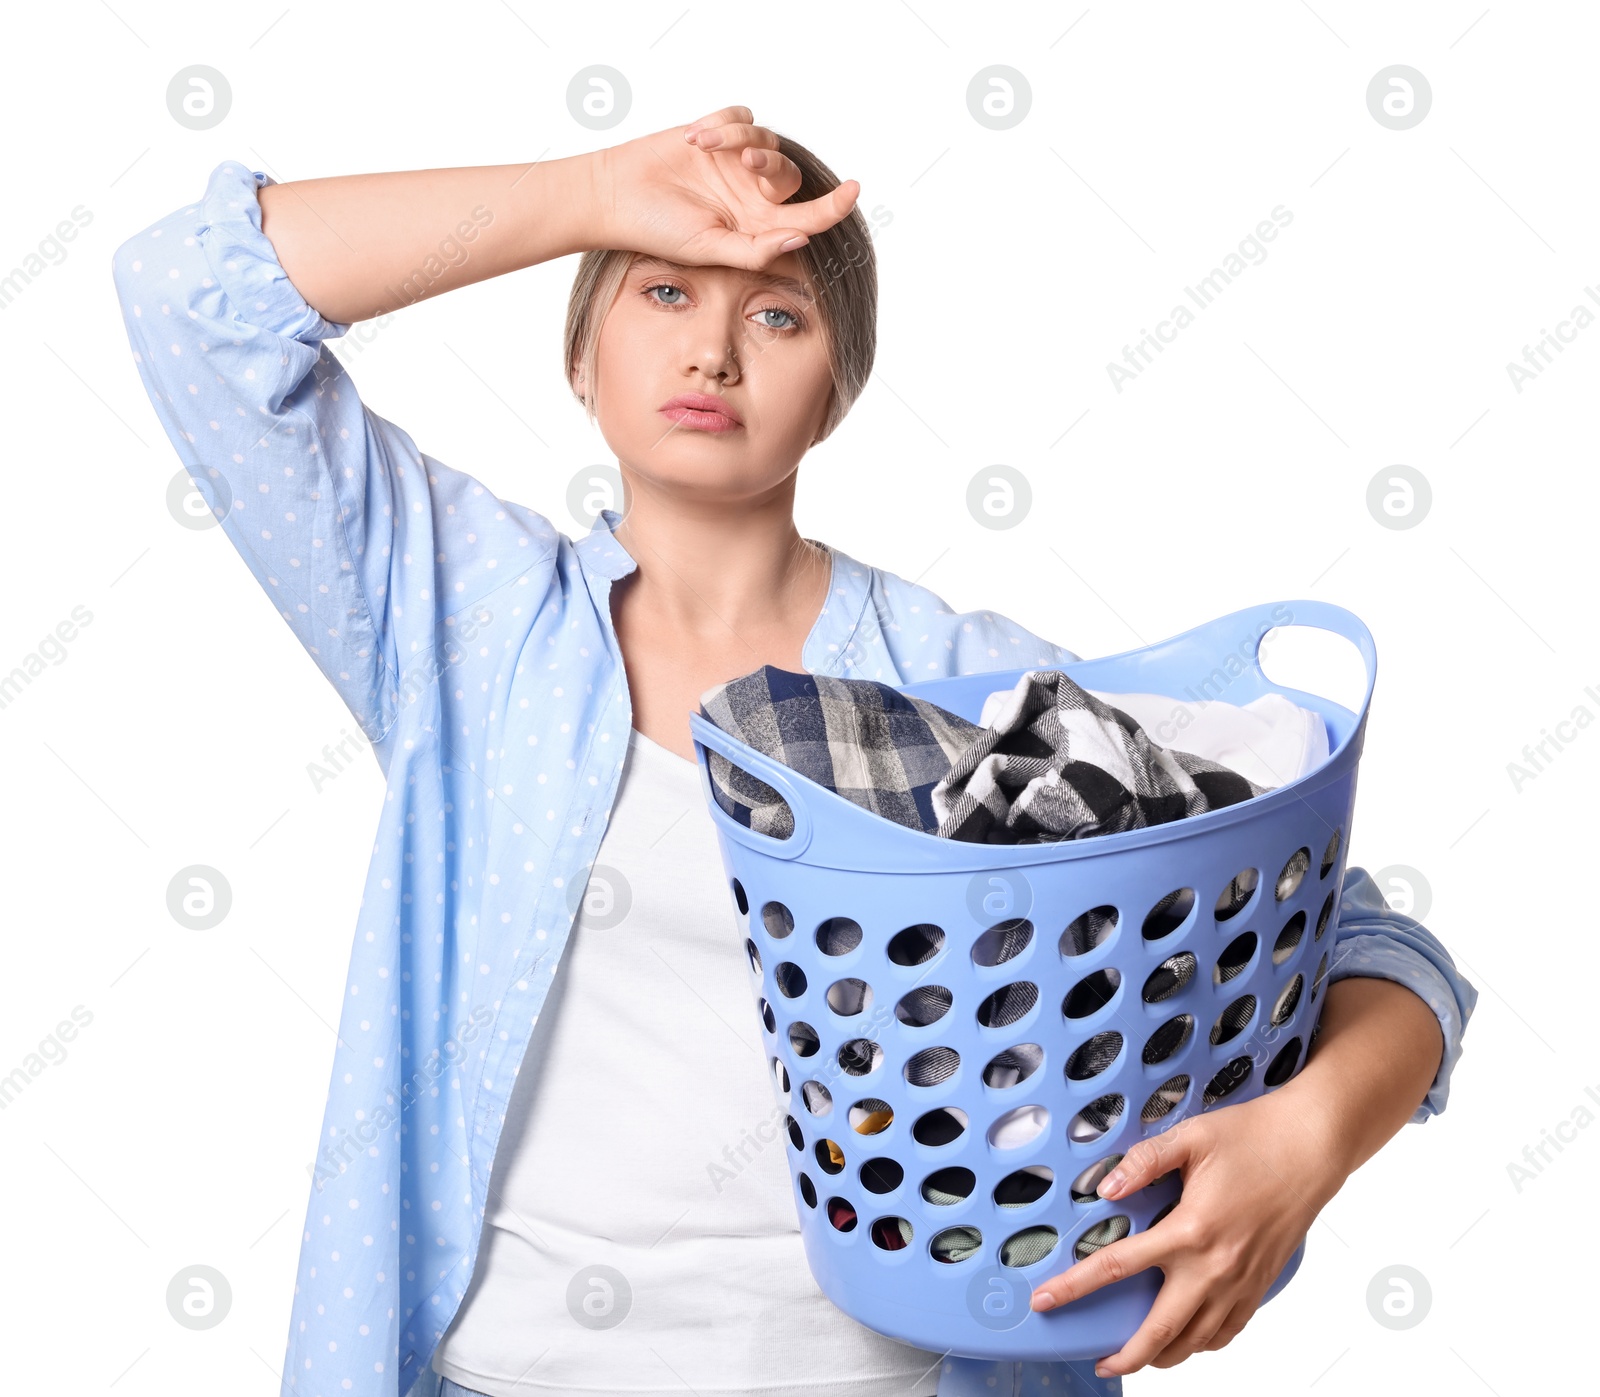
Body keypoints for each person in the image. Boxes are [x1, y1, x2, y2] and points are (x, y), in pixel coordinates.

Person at [110, 104, 1477, 1397]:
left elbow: (1352, 938)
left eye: (776, 310)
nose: (712, 351)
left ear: (836, 391)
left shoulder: (962, 686)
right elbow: (190, 292)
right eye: (664, 290)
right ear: (579, 361)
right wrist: (588, 194)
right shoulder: (463, 619)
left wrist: (1314, 1135)